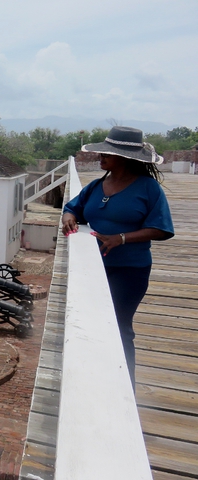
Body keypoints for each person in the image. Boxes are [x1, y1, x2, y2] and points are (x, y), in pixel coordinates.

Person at [61, 126, 174, 389]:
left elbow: (162, 229)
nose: (100, 156)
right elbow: (72, 207)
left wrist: (120, 238)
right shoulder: (98, 185)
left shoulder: (148, 189)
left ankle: (124, 387)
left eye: (106, 154)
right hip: (92, 268)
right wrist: (69, 218)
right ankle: (95, 378)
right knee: (91, 325)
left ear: (124, 158)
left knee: (120, 327)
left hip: (129, 270)